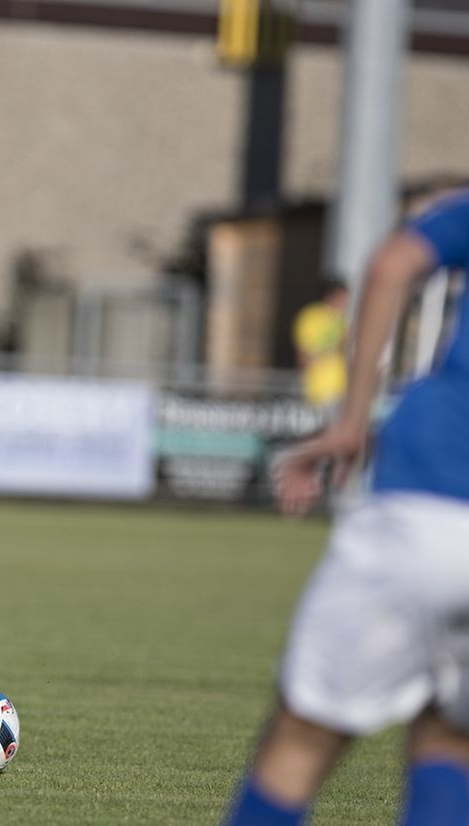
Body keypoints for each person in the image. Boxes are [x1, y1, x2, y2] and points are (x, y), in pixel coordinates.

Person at [223, 190, 469, 825]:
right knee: (451, 740)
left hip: (431, 491)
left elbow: (392, 264)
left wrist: (353, 420)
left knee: (300, 743)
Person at [292, 279, 350, 410]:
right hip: (316, 391)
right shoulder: (311, 317)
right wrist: (335, 344)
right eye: (342, 299)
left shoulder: (342, 321)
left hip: (340, 392)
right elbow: (305, 357)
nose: (344, 304)